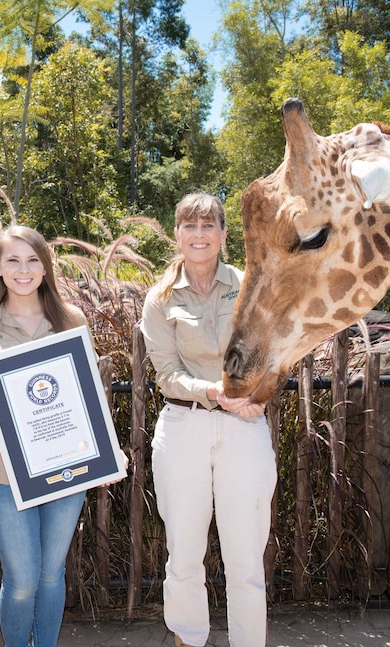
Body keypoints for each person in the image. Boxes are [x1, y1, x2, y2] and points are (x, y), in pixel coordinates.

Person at [139, 193, 276, 647]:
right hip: (184, 431)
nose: (199, 235)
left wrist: (259, 395)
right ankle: (189, 639)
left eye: (208, 226)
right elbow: (167, 374)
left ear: (222, 234)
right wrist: (214, 393)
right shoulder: (158, 299)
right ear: (176, 233)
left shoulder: (250, 284)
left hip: (244, 431)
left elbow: (275, 352)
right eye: (189, 226)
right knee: (184, 555)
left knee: (245, 558)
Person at [0, 225, 94, 647]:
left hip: (65, 468)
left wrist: (107, 450)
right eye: (13, 260)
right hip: (3, 470)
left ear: (45, 266)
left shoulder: (70, 320)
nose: (23, 270)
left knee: (50, 574)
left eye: (32, 259)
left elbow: (88, 395)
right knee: (22, 579)